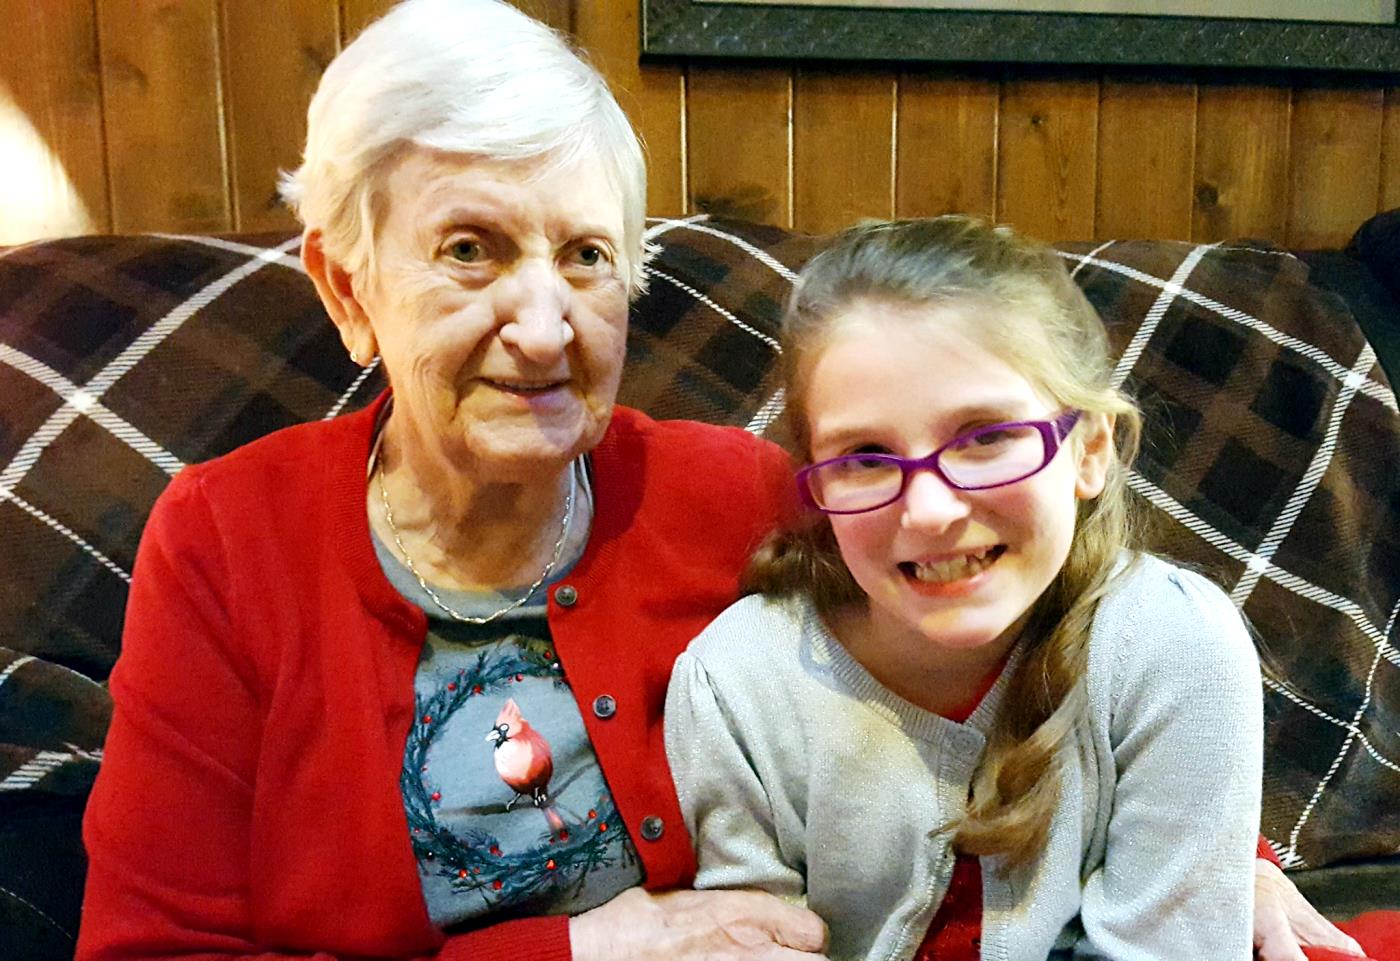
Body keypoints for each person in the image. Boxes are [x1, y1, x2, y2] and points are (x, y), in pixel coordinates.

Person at [72, 0, 1372, 958]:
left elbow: (1007, 631)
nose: (544, 324)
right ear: (348, 287)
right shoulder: (228, 541)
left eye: (586, 257)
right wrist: (578, 952)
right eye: (470, 249)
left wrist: (1217, 858)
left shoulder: (730, 493)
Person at [664, 216, 1262, 960]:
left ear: (1088, 451)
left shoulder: (1175, 646)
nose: (929, 511)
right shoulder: (735, 685)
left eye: (985, 438)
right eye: (866, 456)